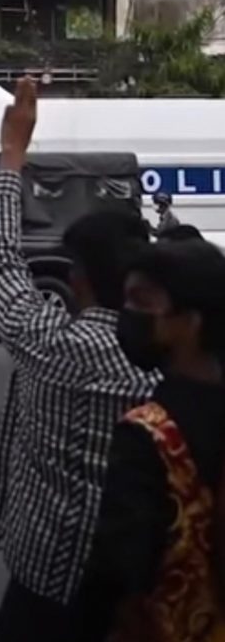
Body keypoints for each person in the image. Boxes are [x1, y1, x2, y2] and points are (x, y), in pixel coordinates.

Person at [0, 79, 159, 642]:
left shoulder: (53, 346)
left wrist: (11, 159)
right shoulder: (174, 365)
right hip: (139, 586)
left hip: (44, 579)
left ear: (77, 278)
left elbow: (1, 262)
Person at [72, 240, 225, 642]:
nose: (129, 316)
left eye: (143, 302)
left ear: (191, 321)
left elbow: (118, 570)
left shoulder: (149, 433)